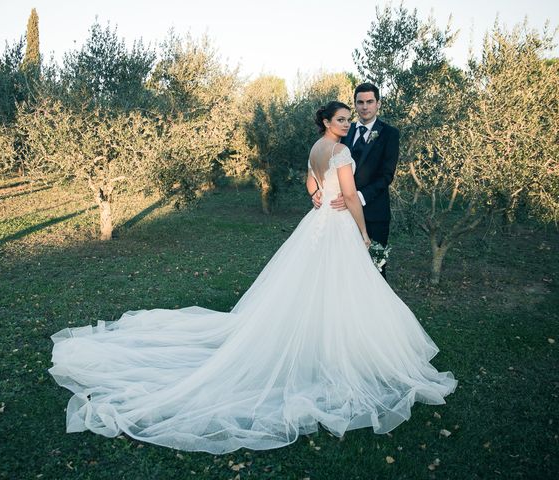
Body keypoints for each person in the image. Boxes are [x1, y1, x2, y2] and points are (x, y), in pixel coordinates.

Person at [49, 101, 456, 455]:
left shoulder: (318, 148)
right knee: (339, 289)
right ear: (328, 122)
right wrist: (365, 234)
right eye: (343, 119)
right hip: (336, 228)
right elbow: (349, 197)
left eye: (350, 119)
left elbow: (311, 181)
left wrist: (315, 194)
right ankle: (335, 351)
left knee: (312, 290)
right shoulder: (341, 151)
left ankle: (319, 341)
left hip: (316, 224)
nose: (348, 124)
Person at [312, 83, 399, 278]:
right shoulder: (343, 130)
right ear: (355, 104)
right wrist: (318, 192)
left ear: (378, 104)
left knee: (374, 272)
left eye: (370, 102)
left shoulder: (390, 134)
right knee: (341, 270)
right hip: (339, 215)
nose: (365, 107)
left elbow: (386, 175)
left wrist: (356, 197)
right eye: (360, 102)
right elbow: (327, 164)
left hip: (374, 214)